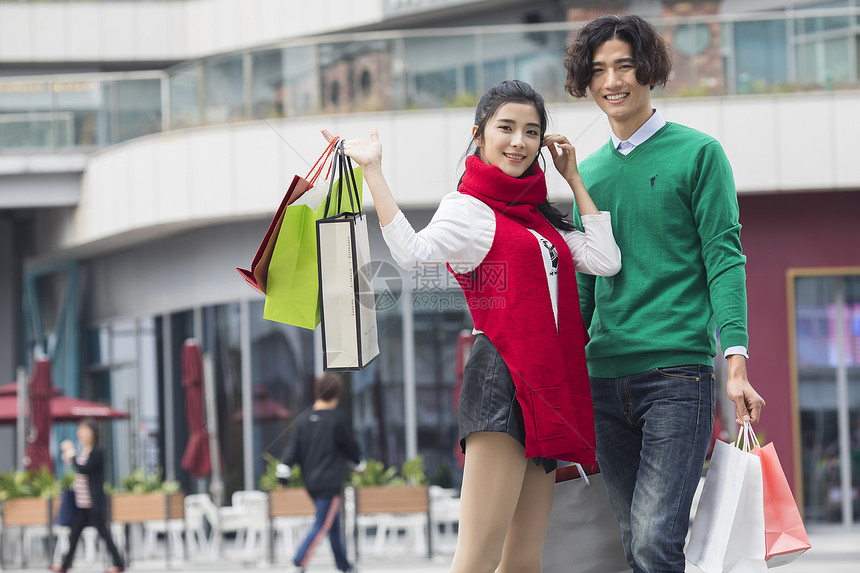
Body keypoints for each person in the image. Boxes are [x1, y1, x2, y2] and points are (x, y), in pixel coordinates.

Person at [325, 79, 621, 573]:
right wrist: (374, 171)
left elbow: (605, 259)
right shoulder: (467, 210)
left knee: (525, 561)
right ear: (479, 135)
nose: (519, 142)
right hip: (501, 380)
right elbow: (413, 252)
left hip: (546, 387)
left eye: (531, 131)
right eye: (506, 128)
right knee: (477, 559)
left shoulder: (539, 220)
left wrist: (574, 179)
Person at [563, 14, 766, 572]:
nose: (612, 81)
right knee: (633, 542)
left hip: (677, 376)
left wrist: (736, 360)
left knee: (655, 541)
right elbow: (585, 282)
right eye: (599, 69)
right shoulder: (590, 173)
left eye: (624, 65)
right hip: (603, 381)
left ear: (648, 69)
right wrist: (566, 376)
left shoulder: (699, 154)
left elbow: (725, 259)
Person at [282, 373, 361, 573]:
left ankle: (344, 566)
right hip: (330, 483)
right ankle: (298, 561)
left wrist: (282, 475)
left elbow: (291, 450)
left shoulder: (303, 420)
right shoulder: (337, 419)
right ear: (337, 395)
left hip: (312, 483)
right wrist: (360, 465)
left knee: (332, 525)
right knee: (322, 525)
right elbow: (351, 448)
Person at [52, 419, 124, 573]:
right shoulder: (83, 451)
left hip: (93, 502)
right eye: (80, 430)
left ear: (93, 432)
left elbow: (84, 469)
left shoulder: (97, 451)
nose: (81, 433)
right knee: (75, 535)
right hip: (82, 502)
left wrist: (71, 457)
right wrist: (71, 457)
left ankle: (118, 563)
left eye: (85, 430)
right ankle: (65, 565)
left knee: (104, 534)